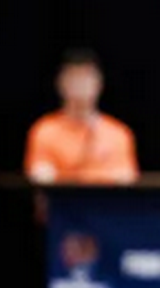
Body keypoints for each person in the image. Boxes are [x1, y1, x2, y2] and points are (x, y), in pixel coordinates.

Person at [25, 48, 139, 186]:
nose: (80, 84)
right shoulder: (44, 131)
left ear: (99, 83)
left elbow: (124, 180)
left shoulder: (118, 134)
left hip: (103, 200)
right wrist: (100, 176)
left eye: (86, 77)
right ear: (61, 83)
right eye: (74, 77)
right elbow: (41, 178)